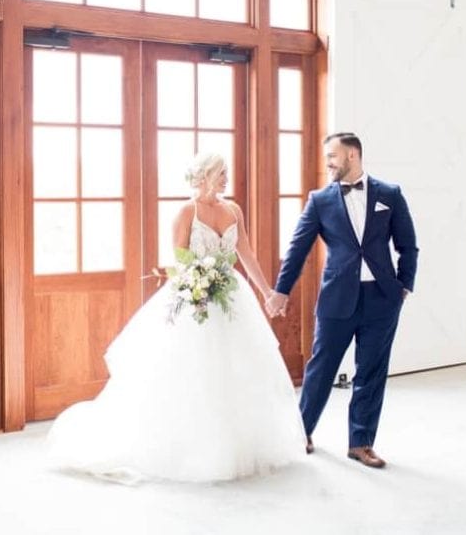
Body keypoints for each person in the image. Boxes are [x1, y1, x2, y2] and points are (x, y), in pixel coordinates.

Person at [47, 153, 305, 483]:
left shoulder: (234, 210)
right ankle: (192, 449)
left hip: (230, 296)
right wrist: (199, 283)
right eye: (220, 173)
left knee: (236, 368)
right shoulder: (186, 212)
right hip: (195, 295)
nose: (226, 178)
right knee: (193, 371)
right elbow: (180, 259)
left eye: (226, 172)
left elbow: (247, 254)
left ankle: (236, 444)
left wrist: (267, 292)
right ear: (204, 176)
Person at [266, 132, 418, 469]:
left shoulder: (390, 195)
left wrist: (404, 284)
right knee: (321, 368)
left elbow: (408, 244)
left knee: (371, 371)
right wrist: (281, 290)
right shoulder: (320, 200)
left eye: (332, 156)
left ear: (352, 155)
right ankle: (301, 432)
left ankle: (361, 442)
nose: (328, 163)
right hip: (337, 298)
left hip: (382, 299)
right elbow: (297, 249)